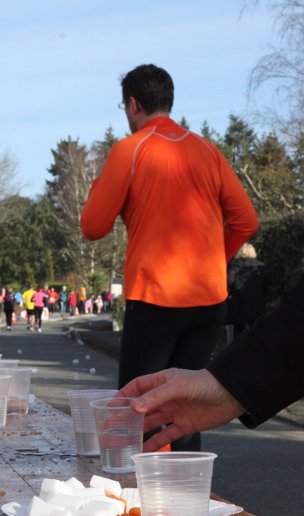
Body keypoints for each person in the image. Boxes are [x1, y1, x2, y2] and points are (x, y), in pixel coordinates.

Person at [80, 63, 259, 451]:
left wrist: (100, 182)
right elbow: (246, 220)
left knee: (140, 407)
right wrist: (214, 261)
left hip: (156, 296)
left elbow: (93, 226)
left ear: (132, 104)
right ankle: (186, 485)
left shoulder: (130, 149)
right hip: (208, 300)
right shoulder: (208, 150)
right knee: (186, 409)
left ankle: (141, 487)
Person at [117, 274, 304, 451]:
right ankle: (184, 471)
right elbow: (234, 246)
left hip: (154, 287)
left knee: (143, 406)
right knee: (186, 409)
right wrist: (228, 385)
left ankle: (141, 471)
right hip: (209, 291)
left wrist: (229, 382)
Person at [226, 242, 266, 338]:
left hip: (239, 303)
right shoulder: (260, 268)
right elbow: (264, 285)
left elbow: (229, 283)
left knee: (238, 330)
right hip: (256, 303)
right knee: (257, 331)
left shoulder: (234, 267)